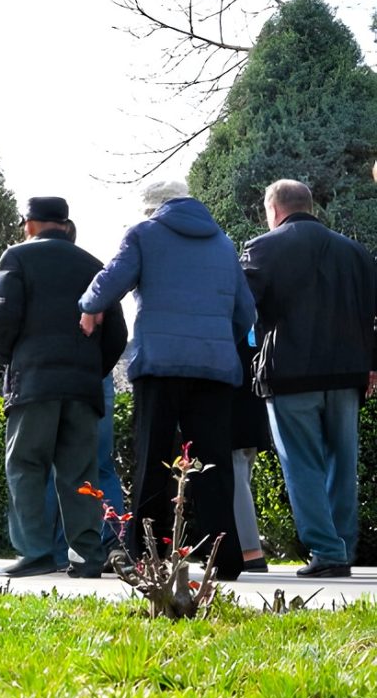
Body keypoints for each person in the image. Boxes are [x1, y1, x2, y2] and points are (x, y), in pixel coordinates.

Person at [80, 179, 253, 581]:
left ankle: (148, 555)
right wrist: (216, 342)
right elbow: (246, 312)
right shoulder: (223, 243)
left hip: (161, 365)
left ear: (152, 208)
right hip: (215, 368)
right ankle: (222, 559)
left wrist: (89, 306)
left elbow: (111, 281)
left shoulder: (144, 234)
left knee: (153, 459)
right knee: (212, 464)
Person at [0, 197, 128, 578]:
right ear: (65, 225)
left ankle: (35, 551)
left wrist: (10, 360)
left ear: (30, 224)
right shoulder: (92, 264)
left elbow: (1, 316)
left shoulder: (17, 257)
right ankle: (85, 555)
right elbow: (116, 332)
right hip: (82, 386)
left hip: (33, 382)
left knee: (26, 464)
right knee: (81, 471)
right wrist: (92, 368)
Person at [241, 179, 377, 578]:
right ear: (310, 205)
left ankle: (327, 551)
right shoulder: (355, 252)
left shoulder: (262, 248)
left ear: (274, 210)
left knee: (302, 465)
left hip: (290, 372)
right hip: (348, 373)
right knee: (342, 463)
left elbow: (243, 307)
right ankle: (343, 547)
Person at [230, 333, 271, 573]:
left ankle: (249, 550)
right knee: (243, 468)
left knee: (236, 467)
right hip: (254, 382)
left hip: (234, 385)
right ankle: (248, 548)